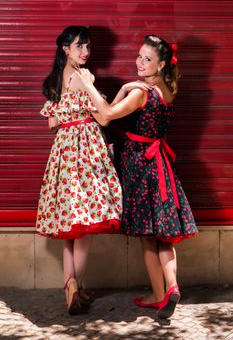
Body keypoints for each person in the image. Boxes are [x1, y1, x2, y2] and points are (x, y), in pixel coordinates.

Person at [74, 34, 199, 319]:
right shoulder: (166, 89)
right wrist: (128, 85)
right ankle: (172, 286)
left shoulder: (141, 93)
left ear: (161, 64)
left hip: (140, 166)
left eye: (147, 59)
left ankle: (158, 294)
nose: (139, 62)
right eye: (139, 56)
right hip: (162, 167)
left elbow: (104, 115)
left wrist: (89, 85)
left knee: (147, 237)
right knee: (163, 235)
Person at [36, 26, 123, 315]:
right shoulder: (83, 78)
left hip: (63, 152)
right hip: (86, 151)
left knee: (70, 227)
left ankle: (72, 287)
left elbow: (51, 124)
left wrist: (68, 119)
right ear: (66, 49)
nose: (85, 52)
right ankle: (77, 285)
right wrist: (93, 89)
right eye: (79, 46)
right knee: (85, 227)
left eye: (88, 47)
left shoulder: (55, 80)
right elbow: (104, 117)